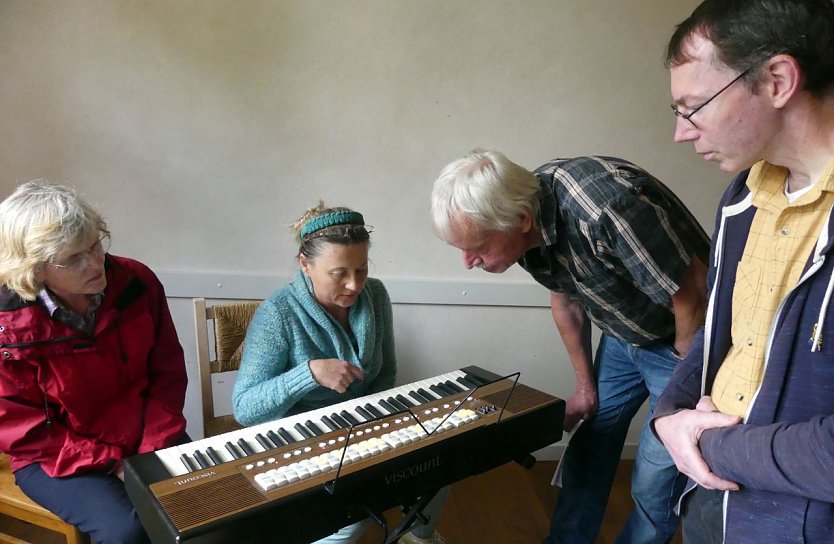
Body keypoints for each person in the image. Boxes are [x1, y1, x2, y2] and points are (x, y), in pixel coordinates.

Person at [431, 151, 710, 544]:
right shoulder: (522, 224)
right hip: (624, 332)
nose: (467, 262)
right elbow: (565, 301)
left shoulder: (608, 208)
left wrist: (684, 373)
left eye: (477, 247)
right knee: (589, 441)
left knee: (656, 473)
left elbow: (692, 294)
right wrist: (585, 388)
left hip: (684, 336)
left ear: (522, 220)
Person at [653, 0, 834, 542]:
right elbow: (726, 331)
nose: (682, 133)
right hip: (713, 498)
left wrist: (706, 443)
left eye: (694, 105)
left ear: (778, 80)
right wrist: (668, 415)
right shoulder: (746, 195)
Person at [232, 202, 446, 544]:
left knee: (440, 464)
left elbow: (385, 374)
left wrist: (375, 429)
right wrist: (308, 374)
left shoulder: (375, 295)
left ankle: (417, 537)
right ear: (305, 265)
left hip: (361, 429)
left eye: (360, 269)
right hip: (298, 442)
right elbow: (244, 407)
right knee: (352, 519)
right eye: (339, 273)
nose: (353, 284)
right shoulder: (278, 314)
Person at [0, 180, 188, 544]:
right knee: (128, 531)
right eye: (73, 258)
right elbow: (22, 428)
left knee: (204, 503)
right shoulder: (6, 323)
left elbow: (166, 373)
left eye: (95, 244)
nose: (95, 264)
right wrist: (112, 463)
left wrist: (152, 448)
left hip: (145, 434)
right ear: (34, 269)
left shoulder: (137, 281)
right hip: (54, 454)